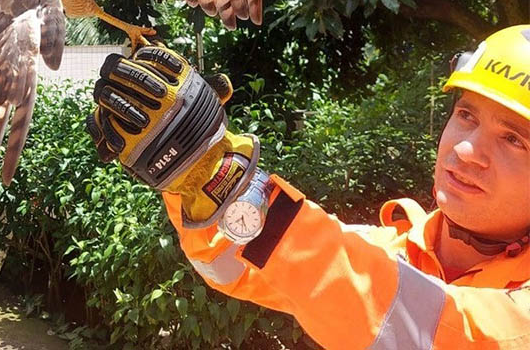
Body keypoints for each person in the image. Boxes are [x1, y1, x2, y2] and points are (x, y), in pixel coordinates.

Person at [87, 24, 530, 349]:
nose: (468, 149)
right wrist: (194, 176)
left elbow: (442, 332)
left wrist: (223, 178)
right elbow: (233, 264)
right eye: (467, 115)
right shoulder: (390, 250)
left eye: (514, 139)